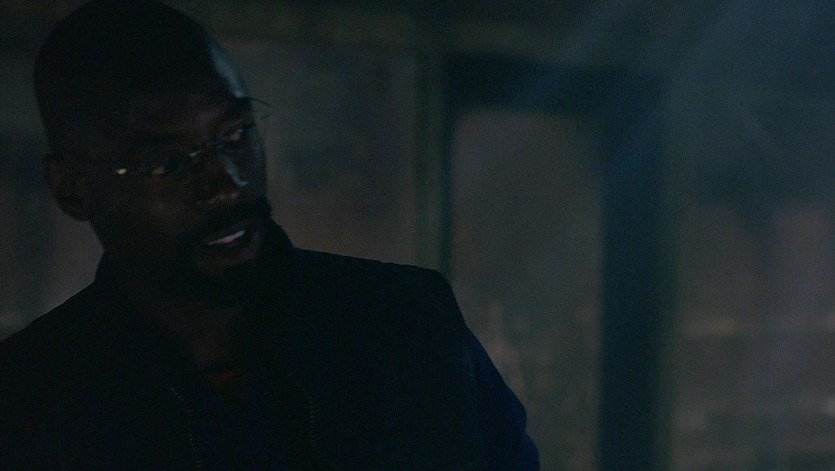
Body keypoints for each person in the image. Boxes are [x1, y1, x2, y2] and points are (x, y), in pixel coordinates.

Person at [0, 1, 539, 469]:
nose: (224, 184)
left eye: (235, 133)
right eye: (165, 162)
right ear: (73, 189)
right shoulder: (29, 401)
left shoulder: (409, 325)